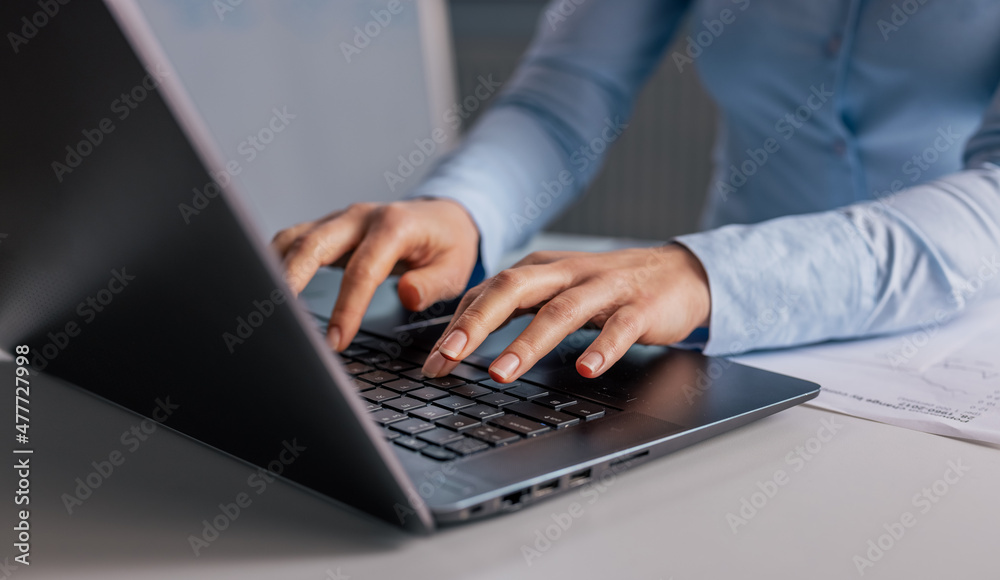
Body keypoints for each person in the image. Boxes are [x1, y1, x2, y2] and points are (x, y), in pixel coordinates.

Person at [271, 0, 1000, 384]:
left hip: (956, 349)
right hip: (722, 344)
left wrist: (703, 274)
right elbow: (570, 93)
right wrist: (462, 206)